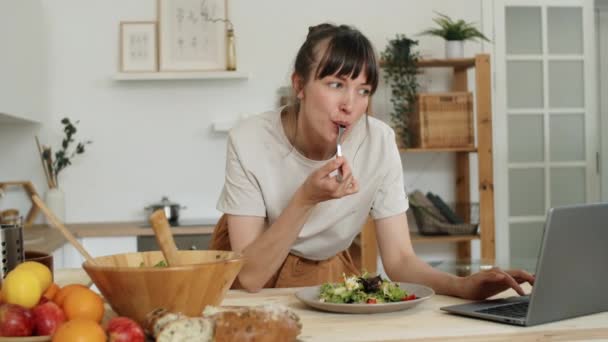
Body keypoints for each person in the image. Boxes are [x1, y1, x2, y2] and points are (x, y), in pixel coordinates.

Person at [211, 23, 534, 299]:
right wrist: (306, 199)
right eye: (335, 84)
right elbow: (250, 277)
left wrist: (462, 286)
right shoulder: (249, 139)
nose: (349, 105)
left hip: (322, 273)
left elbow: (400, 260)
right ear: (300, 86)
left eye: (363, 90)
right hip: (253, 267)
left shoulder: (379, 142)